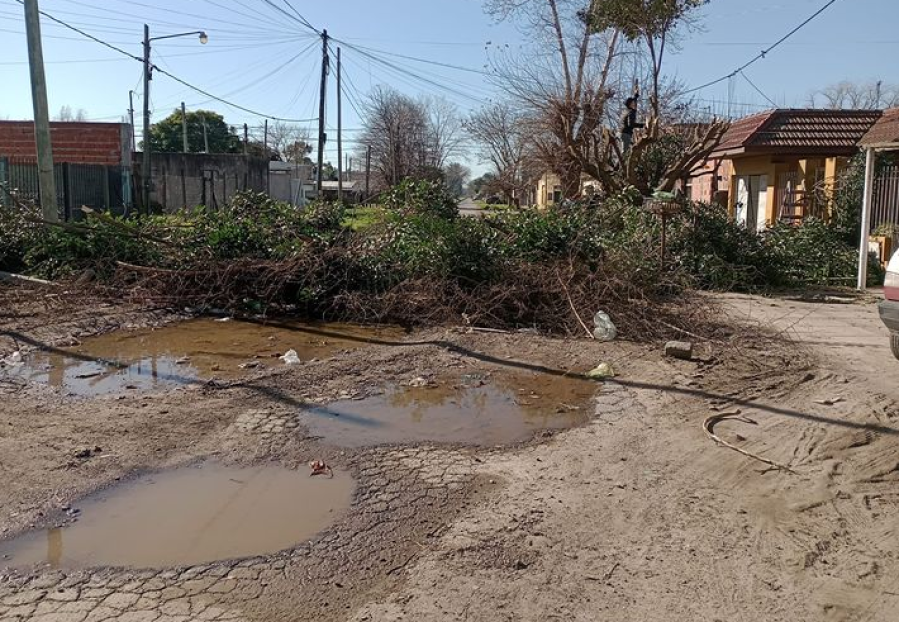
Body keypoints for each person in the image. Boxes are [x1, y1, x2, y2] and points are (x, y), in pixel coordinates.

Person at [620, 86, 644, 155]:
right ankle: (621, 161)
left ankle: (622, 160)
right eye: (633, 103)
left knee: (626, 150)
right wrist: (642, 125)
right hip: (626, 133)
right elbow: (631, 124)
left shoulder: (626, 111)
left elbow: (633, 100)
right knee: (625, 152)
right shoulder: (631, 112)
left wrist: (636, 95)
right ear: (631, 104)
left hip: (622, 133)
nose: (635, 104)